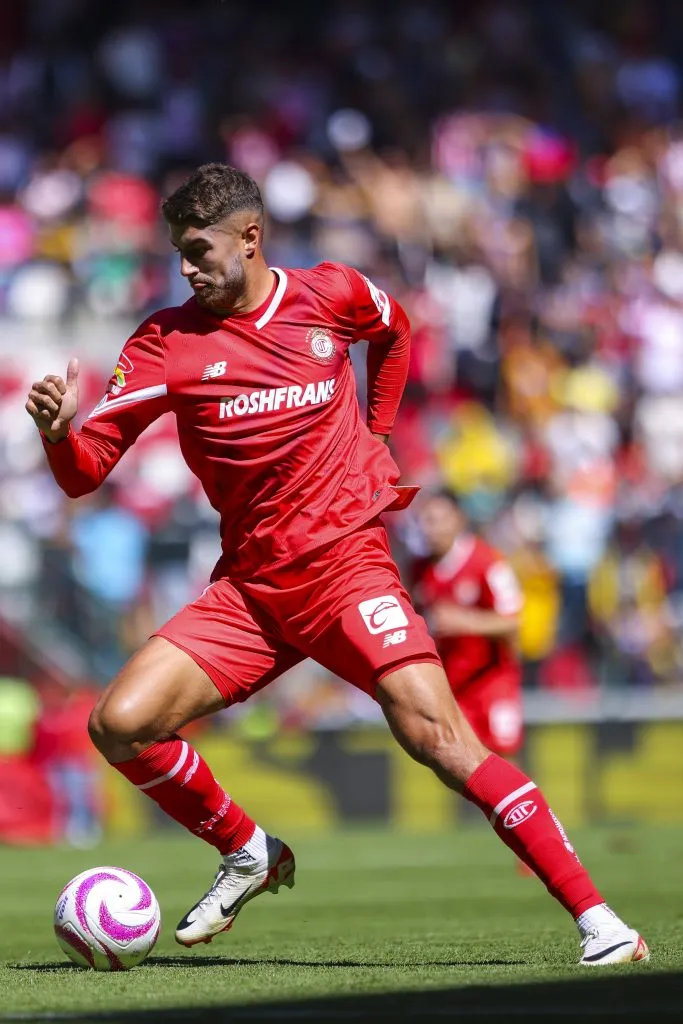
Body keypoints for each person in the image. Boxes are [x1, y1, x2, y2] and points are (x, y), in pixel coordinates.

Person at [26, 163, 647, 965]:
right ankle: (250, 850)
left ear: (250, 239)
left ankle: (601, 923)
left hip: (345, 569)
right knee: (120, 724)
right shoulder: (163, 344)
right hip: (249, 589)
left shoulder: (331, 294)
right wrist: (55, 431)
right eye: (177, 252)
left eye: (197, 249)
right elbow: (85, 473)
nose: (185, 267)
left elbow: (394, 332)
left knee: (438, 739)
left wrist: (379, 432)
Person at [412, 490, 524, 759]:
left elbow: (514, 622)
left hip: (492, 685)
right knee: (466, 768)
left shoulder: (488, 562)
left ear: (458, 520)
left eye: (437, 520)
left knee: (506, 765)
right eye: (424, 521)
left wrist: (467, 622)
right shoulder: (419, 570)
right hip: (452, 690)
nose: (430, 529)